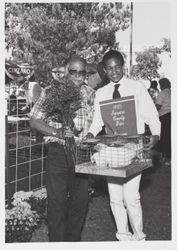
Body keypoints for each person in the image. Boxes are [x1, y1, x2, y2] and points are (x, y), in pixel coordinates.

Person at [86, 50, 161, 241]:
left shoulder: (136, 87)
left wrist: (156, 135)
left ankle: (139, 237)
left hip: (134, 147)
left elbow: (151, 115)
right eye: (109, 68)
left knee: (131, 197)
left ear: (123, 66)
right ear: (104, 70)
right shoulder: (101, 93)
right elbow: (97, 122)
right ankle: (123, 238)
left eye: (117, 67)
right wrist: (89, 134)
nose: (114, 72)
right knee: (115, 198)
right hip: (113, 151)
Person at [30, 55, 95, 242]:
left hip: (82, 153)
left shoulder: (91, 94)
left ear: (85, 74)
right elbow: (34, 120)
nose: (76, 76)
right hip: (58, 152)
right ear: (66, 71)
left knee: (80, 202)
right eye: (72, 71)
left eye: (81, 72)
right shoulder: (51, 91)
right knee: (56, 202)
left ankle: (72, 242)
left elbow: (99, 122)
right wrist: (57, 132)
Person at [156, 78, 171, 166]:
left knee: (165, 138)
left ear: (162, 85)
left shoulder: (163, 93)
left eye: (160, 85)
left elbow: (158, 106)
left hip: (165, 117)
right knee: (170, 138)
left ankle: (166, 158)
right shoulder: (171, 92)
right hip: (171, 116)